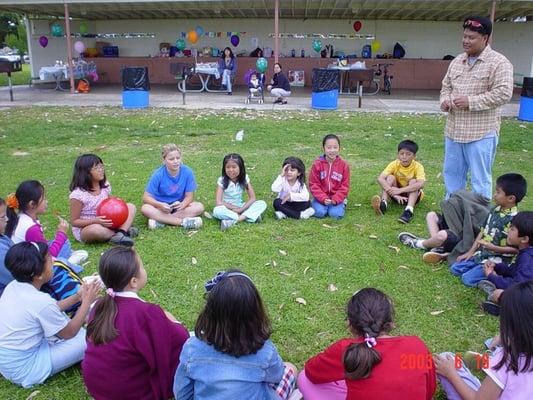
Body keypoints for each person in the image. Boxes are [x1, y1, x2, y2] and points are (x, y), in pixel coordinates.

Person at [82, 247, 189, 400]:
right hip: (130, 393)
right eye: (142, 267)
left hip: (98, 388)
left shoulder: (99, 306)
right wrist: (171, 320)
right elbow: (181, 338)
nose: (144, 269)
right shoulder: (146, 313)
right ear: (133, 281)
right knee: (187, 348)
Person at [173, 269, 297, 400]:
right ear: (255, 313)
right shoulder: (265, 352)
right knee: (290, 368)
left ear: (209, 311)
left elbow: (182, 392)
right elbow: (276, 376)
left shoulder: (192, 348)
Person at [298, 288, 436, 400]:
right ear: (391, 322)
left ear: (349, 324)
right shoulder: (417, 346)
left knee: (304, 378)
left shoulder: (345, 349)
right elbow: (429, 388)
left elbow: (311, 372)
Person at [0, 242, 99, 388]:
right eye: (49, 259)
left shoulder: (14, 286)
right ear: (38, 274)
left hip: (7, 361)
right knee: (88, 339)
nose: (54, 261)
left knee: (64, 321)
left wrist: (77, 297)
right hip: (25, 368)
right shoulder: (40, 300)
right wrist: (86, 302)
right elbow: (69, 333)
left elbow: (49, 309)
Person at [440, 16, 513, 200]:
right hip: (454, 131)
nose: (466, 41)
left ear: (485, 38)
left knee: (480, 181)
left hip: (480, 133)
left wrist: (471, 102)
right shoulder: (457, 61)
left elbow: (504, 93)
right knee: (452, 177)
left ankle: (478, 221)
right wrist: (445, 101)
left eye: (471, 37)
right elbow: (446, 86)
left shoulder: (499, 62)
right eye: (464, 36)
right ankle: (452, 216)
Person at [433, 281, 533, 399]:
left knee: (445, 358)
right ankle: (488, 359)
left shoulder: (507, 360)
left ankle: (488, 359)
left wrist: (451, 374)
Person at [447, 173, 526, 287]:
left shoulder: (515, 220)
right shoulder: (495, 210)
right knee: (455, 268)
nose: (494, 195)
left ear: (511, 198)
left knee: (467, 279)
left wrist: (494, 248)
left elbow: (516, 251)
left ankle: (494, 277)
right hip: (482, 255)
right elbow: (483, 231)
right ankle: (479, 269)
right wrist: (470, 252)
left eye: (498, 192)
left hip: (498, 261)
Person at [398, 190, 491, 265]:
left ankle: (419, 244)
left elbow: (471, 238)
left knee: (442, 235)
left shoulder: (477, 216)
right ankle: (436, 246)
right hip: (453, 227)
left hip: (460, 236)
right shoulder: (461, 206)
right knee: (431, 215)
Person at [6, 180, 87, 266]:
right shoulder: (30, 228)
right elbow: (49, 255)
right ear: (32, 204)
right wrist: (61, 233)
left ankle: (65, 258)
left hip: (31, 257)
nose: (46, 201)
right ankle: (66, 263)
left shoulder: (21, 217)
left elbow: (42, 245)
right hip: (33, 266)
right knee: (80, 252)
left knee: (64, 243)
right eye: (43, 199)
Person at [69, 154, 137, 246]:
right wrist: (95, 221)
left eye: (101, 166)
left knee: (131, 207)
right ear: (86, 173)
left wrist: (117, 204)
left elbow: (109, 204)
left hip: (108, 222)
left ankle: (121, 233)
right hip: (88, 226)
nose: (101, 170)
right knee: (95, 230)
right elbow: (74, 222)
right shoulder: (78, 195)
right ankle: (120, 234)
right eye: (97, 168)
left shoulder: (105, 185)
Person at [477, 211, 533, 315]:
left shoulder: (527, 258)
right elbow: (515, 272)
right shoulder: (526, 252)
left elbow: (517, 287)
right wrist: (497, 267)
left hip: (527, 299)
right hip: (525, 292)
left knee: (498, 294)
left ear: (524, 239)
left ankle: (500, 305)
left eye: (512, 229)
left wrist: (491, 276)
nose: (508, 231)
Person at [141, 144, 204, 230]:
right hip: (161, 208)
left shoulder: (187, 172)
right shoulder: (158, 174)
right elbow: (146, 197)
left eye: (178, 158)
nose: (175, 161)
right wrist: (159, 205)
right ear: (164, 160)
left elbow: (189, 196)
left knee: (199, 206)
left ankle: (161, 221)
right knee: (145, 208)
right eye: (171, 159)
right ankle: (182, 223)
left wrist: (182, 204)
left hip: (178, 208)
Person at [372, 140, 426, 224]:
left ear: (414, 156)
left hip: (412, 196)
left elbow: (421, 184)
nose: (404, 157)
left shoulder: (418, 166)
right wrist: (394, 194)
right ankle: (383, 204)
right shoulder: (394, 164)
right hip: (395, 195)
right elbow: (380, 178)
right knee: (390, 177)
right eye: (402, 154)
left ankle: (408, 211)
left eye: (408, 154)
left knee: (413, 181)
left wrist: (400, 191)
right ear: (398, 155)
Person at [213, 153, 267, 231]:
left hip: (241, 206)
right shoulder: (221, 180)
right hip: (227, 208)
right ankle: (249, 217)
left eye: (234, 167)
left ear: (240, 168)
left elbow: (252, 198)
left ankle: (235, 220)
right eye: (228, 167)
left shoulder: (244, 179)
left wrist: (241, 209)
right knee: (217, 211)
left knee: (262, 203)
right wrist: (234, 208)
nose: (231, 170)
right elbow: (219, 202)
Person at [309, 134, 350, 219]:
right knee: (319, 213)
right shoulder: (317, 164)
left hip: (336, 198)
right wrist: (323, 198)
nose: (332, 150)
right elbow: (314, 184)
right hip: (320, 198)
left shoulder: (344, 165)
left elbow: (345, 186)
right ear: (323, 149)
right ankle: (317, 204)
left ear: (339, 148)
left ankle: (342, 203)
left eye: (335, 147)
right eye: (329, 147)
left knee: (335, 215)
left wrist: (336, 199)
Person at [0, 197, 14, 297]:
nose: (7, 219)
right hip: (10, 296)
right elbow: (16, 277)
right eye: (3, 216)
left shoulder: (3, 238)